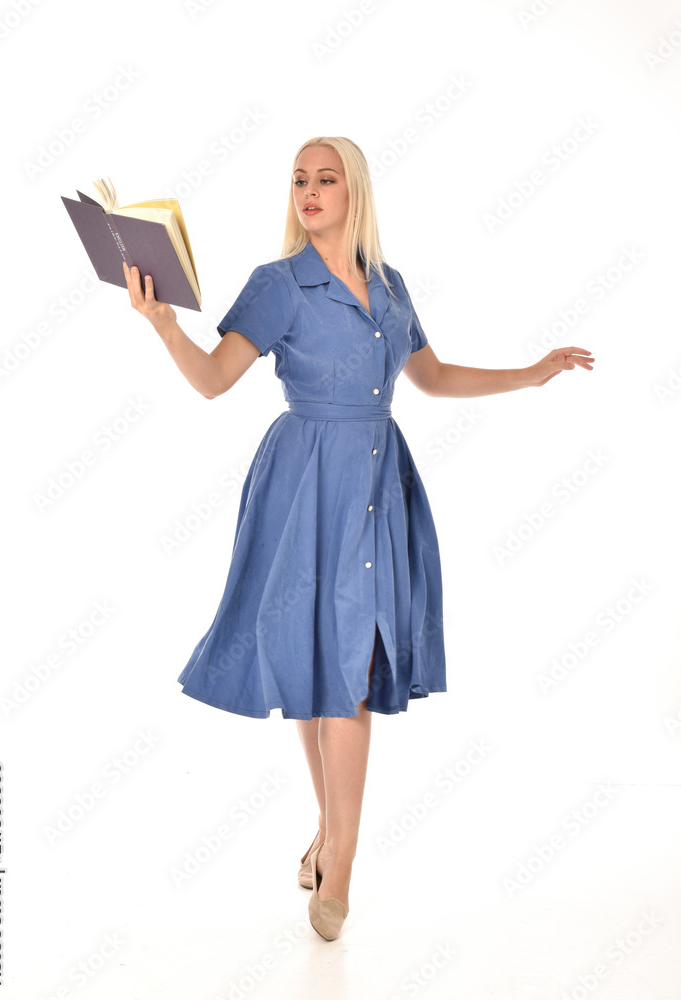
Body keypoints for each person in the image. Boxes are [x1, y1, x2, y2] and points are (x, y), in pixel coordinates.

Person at [123, 135, 594, 940]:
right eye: (299, 180)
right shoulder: (278, 285)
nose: (308, 191)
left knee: (355, 663)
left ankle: (332, 848)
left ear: (355, 190)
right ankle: (338, 851)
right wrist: (162, 324)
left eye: (325, 178)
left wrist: (530, 372)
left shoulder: (388, 284)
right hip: (302, 481)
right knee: (322, 659)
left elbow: (432, 376)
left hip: (378, 479)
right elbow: (211, 381)